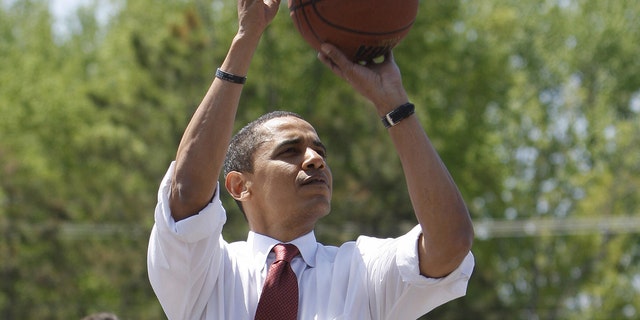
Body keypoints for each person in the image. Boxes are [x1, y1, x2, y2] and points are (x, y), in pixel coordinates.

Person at [147, 0, 475, 318]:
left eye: (321, 151)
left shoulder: (361, 270)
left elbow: (451, 244)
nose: (315, 160)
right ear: (238, 185)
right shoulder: (207, 275)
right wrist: (246, 38)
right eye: (289, 150)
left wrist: (395, 106)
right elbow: (187, 191)